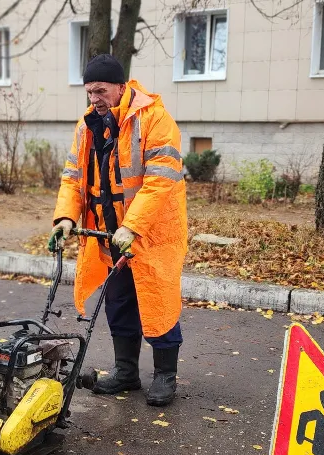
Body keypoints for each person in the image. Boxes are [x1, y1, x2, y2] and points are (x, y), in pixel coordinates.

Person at [48, 54, 187, 407]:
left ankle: (165, 376)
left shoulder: (154, 119)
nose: (94, 98)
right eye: (89, 92)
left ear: (121, 87)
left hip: (151, 235)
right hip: (111, 235)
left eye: (100, 90)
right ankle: (126, 372)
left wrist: (132, 226)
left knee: (157, 302)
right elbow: (73, 178)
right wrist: (66, 218)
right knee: (120, 304)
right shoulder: (87, 126)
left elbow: (159, 182)